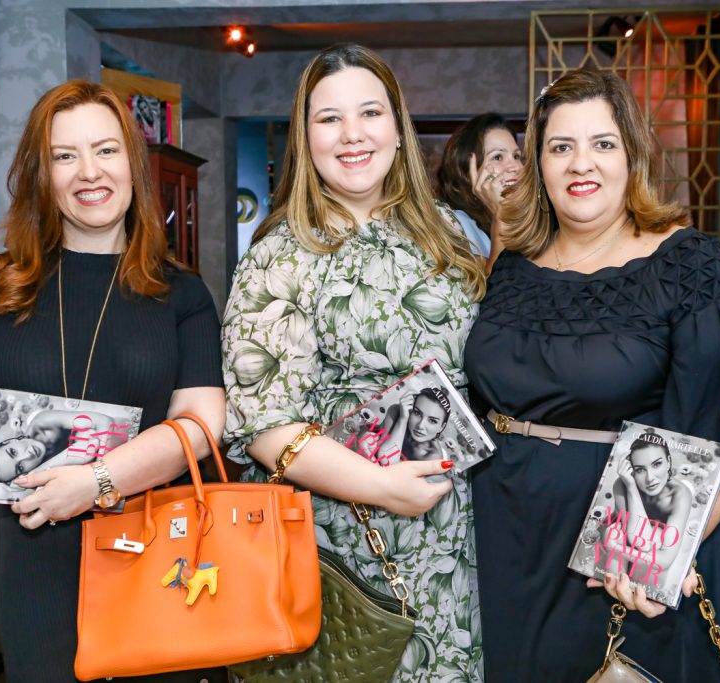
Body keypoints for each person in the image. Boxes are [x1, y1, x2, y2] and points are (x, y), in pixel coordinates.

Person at [464, 69, 720, 682]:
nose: (580, 163)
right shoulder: (511, 266)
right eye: (561, 147)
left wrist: (653, 551)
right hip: (507, 537)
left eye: (602, 143)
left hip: (621, 550)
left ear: (633, 154)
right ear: (538, 162)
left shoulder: (690, 266)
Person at [0, 80, 226, 683]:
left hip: (158, 556)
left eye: (105, 150)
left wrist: (94, 482)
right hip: (34, 558)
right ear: (41, 175)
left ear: (133, 165)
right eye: (63, 156)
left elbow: (199, 427)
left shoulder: (182, 293)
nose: (87, 172)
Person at [221, 44, 486, 681]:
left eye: (369, 113)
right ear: (305, 138)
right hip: (341, 545)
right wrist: (384, 490)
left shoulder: (448, 234)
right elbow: (265, 427)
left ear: (398, 129)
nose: (352, 134)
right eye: (328, 118)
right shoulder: (279, 254)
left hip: (460, 538)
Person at [436, 113, 522, 270]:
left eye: (516, 156)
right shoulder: (452, 226)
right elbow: (499, 290)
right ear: (467, 172)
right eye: (497, 157)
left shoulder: (529, 223)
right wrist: (500, 215)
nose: (516, 166)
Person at [609, 432, 692, 576]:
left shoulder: (679, 495)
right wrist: (631, 487)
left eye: (657, 464)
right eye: (640, 469)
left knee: (653, 539)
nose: (650, 478)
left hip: (652, 544)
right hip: (631, 536)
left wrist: (614, 548)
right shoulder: (623, 484)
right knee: (613, 532)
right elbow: (635, 539)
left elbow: (665, 561)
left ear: (668, 461)